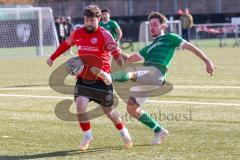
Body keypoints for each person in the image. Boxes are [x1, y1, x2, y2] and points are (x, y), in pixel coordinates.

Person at [91, 11, 216, 145]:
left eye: (155, 25)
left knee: (133, 73)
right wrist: (114, 50)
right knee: (131, 109)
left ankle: (109, 77)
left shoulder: (170, 37)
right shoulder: (149, 47)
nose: (152, 27)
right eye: (150, 25)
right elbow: (130, 59)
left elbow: (191, 47)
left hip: (156, 73)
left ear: (163, 26)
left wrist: (207, 61)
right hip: (148, 77)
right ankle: (159, 130)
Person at [47, 5, 132, 151]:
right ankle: (87, 135)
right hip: (83, 78)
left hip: (102, 79)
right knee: (80, 106)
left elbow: (114, 49)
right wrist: (52, 57)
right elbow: (65, 45)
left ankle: (123, 132)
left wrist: (118, 58)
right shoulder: (77, 33)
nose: (89, 23)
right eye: (86, 20)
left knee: (109, 112)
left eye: (92, 20)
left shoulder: (105, 34)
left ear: (98, 20)